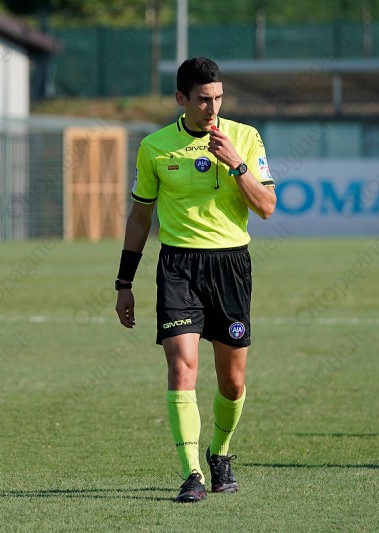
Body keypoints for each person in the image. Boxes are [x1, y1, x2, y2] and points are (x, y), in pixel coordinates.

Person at [114, 57, 276, 503]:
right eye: (204, 99)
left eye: (218, 97)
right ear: (181, 99)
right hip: (178, 267)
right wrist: (124, 283)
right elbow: (140, 217)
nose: (213, 107)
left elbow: (267, 207)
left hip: (231, 267)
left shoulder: (245, 137)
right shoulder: (154, 147)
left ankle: (219, 453)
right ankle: (192, 474)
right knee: (182, 367)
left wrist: (237, 164)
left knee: (233, 382)